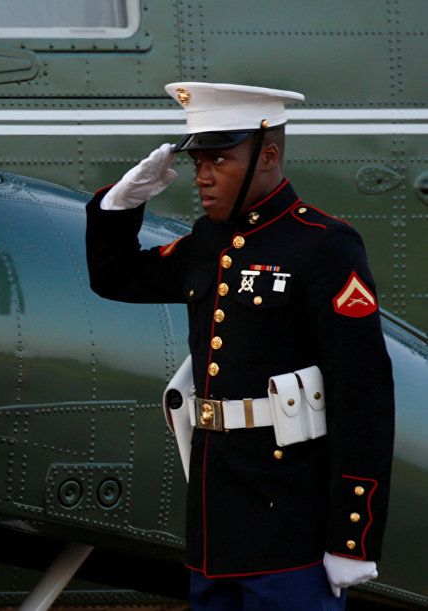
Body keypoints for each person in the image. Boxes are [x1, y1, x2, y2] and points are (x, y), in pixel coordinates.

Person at [85, 82, 394, 610]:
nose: (203, 177)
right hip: (216, 524)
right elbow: (116, 277)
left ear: (268, 156)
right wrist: (120, 204)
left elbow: (363, 396)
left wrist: (352, 539)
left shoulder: (323, 245)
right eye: (198, 161)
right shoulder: (210, 241)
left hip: (292, 529)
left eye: (220, 160)